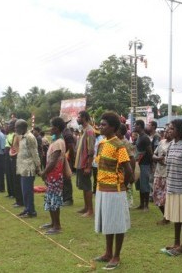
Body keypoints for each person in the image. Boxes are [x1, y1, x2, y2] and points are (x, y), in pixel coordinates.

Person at [93, 112, 133, 270]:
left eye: (104, 125)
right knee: (107, 223)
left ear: (113, 127)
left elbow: (128, 170)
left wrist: (124, 186)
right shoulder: (102, 143)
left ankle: (116, 256)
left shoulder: (119, 145)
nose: (100, 127)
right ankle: (108, 253)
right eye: (100, 124)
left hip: (115, 191)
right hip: (102, 189)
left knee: (117, 224)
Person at [162, 119, 182, 256]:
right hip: (171, 186)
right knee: (176, 216)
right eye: (169, 128)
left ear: (179, 130)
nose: (169, 131)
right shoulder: (171, 145)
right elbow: (167, 163)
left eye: (172, 128)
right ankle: (176, 242)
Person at [40, 117, 67, 234]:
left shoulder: (59, 142)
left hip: (55, 176)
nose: (50, 129)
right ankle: (53, 223)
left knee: (54, 200)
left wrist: (44, 172)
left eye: (51, 126)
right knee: (50, 199)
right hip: (51, 176)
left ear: (56, 128)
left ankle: (57, 226)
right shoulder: (55, 141)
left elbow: (53, 161)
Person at [15, 119, 40, 218]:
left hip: (29, 168)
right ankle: (27, 209)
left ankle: (31, 211)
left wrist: (38, 167)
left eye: (17, 127)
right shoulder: (22, 137)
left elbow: (35, 153)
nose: (15, 129)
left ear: (23, 127)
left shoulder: (30, 137)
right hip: (23, 168)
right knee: (24, 191)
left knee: (28, 191)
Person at [75, 111, 96, 217]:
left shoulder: (89, 131)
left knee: (87, 186)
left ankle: (90, 210)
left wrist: (88, 166)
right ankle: (86, 207)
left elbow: (91, 151)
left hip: (85, 164)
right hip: (80, 163)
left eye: (78, 117)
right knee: (83, 186)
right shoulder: (82, 130)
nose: (77, 119)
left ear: (84, 117)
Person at [152, 126, 172, 225]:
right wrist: (159, 158)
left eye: (169, 132)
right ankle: (166, 216)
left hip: (168, 174)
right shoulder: (161, 142)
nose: (166, 133)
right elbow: (153, 155)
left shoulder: (174, 144)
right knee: (156, 196)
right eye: (165, 132)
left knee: (166, 198)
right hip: (158, 173)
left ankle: (167, 217)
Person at [134, 119, 153, 211]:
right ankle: (141, 204)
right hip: (139, 164)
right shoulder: (139, 137)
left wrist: (151, 165)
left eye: (135, 125)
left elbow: (150, 152)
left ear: (140, 126)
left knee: (145, 185)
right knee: (140, 185)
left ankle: (146, 205)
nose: (134, 126)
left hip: (145, 164)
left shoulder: (145, 138)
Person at [117, 124, 136, 208]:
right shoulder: (118, 141)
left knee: (128, 187)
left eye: (116, 130)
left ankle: (129, 203)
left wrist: (131, 173)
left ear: (121, 132)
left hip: (126, 170)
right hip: (120, 170)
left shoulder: (125, 143)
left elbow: (132, 158)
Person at [61, 115, 76, 206]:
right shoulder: (64, 132)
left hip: (67, 158)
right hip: (63, 158)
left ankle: (68, 199)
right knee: (63, 179)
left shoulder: (67, 134)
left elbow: (71, 148)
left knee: (66, 179)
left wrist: (71, 160)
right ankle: (64, 197)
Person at [5, 119, 16, 198]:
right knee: (8, 175)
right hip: (6, 155)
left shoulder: (14, 135)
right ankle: (10, 193)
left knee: (13, 175)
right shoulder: (8, 134)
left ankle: (14, 193)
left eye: (9, 125)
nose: (7, 126)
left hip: (12, 155)